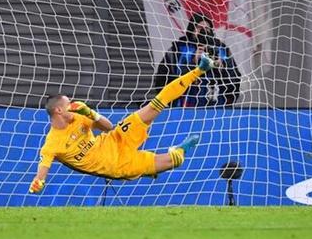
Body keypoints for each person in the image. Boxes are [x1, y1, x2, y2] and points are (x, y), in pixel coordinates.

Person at [28, 55, 213, 194]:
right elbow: (41, 175)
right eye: (68, 104)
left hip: (116, 138)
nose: (72, 105)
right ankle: (179, 150)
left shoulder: (79, 116)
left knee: (154, 105)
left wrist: (90, 113)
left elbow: (109, 127)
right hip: (118, 165)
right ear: (58, 111)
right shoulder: (51, 145)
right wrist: (38, 184)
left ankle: (199, 70)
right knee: (173, 161)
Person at [154, 13, 241, 107]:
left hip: (218, 111)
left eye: (207, 29)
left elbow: (235, 84)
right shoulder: (177, 50)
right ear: (191, 30)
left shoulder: (222, 51)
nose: (203, 32)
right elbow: (161, 82)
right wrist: (192, 63)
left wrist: (222, 68)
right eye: (199, 28)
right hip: (183, 110)